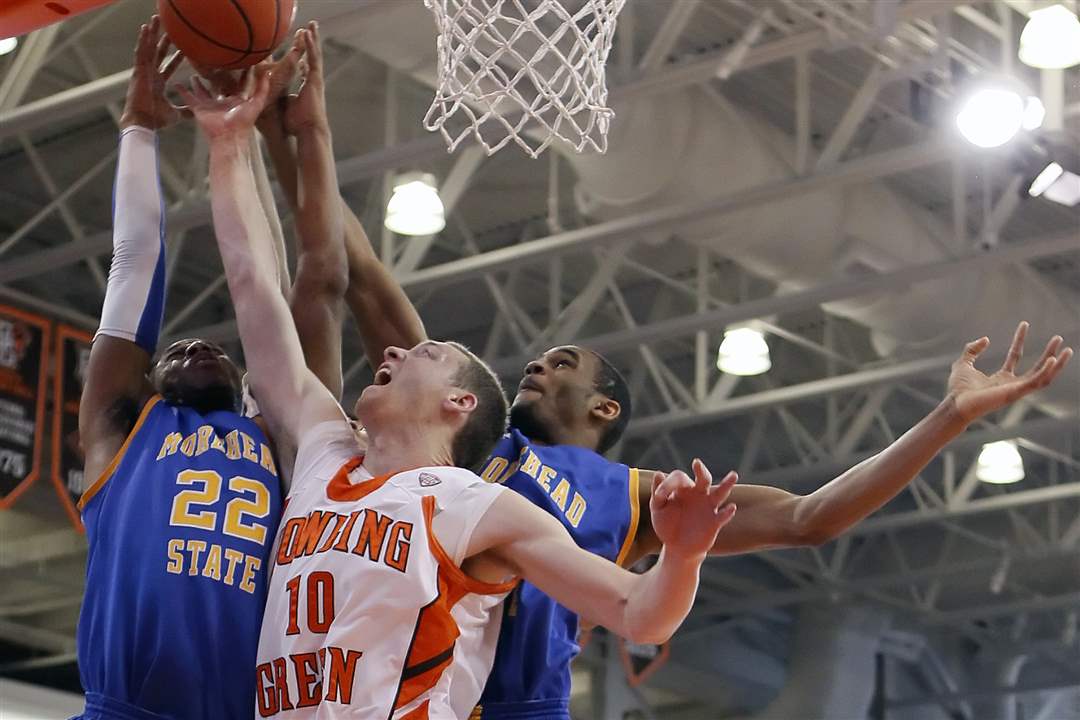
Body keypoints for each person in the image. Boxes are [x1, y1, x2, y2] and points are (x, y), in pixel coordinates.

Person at [251, 27, 1074, 720]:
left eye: (562, 363)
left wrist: (949, 418)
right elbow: (350, 266)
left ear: (604, 407)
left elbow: (811, 520)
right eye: (537, 359)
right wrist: (287, 136)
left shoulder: (641, 499)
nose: (537, 362)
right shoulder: (463, 443)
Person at [180, 26, 739, 716]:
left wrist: (682, 555)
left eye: (423, 353)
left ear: (458, 405)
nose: (390, 351)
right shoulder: (328, 451)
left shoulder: (480, 508)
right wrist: (228, 142)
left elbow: (638, 613)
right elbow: (254, 290)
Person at [74, 18, 313, 719]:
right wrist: (139, 129)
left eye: (217, 351)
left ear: (250, 383)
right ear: (149, 380)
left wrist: (244, 145)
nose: (194, 349)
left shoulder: (280, 436)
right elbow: (132, 267)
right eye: (173, 352)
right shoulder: (126, 428)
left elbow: (266, 288)